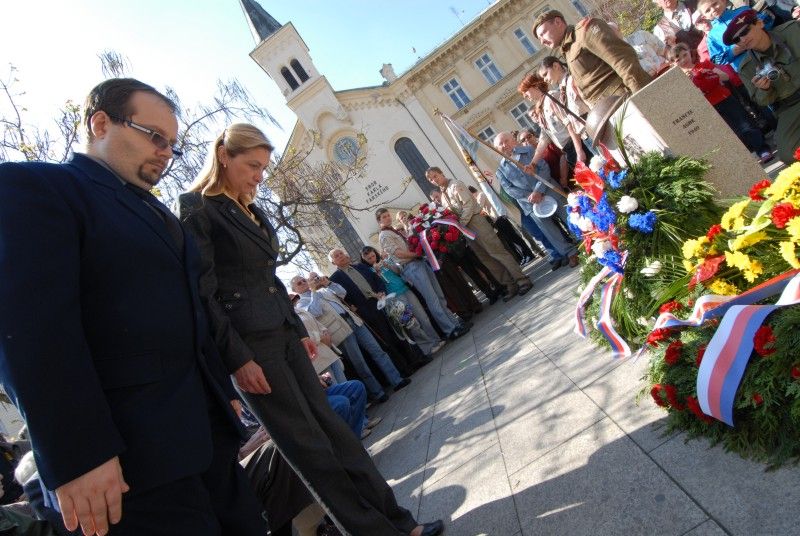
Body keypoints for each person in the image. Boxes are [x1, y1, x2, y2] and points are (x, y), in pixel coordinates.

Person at [0, 78, 266, 536]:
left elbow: (186, 312)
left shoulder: (157, 214)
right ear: (101, 124)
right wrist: (79, 454)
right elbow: (29, 330)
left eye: (173, 144)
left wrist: (219, 390)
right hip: (130, 464)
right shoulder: (35, 187)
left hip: (207, 441)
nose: (166, 152)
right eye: (155, 136)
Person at [178, 123, 443, 536]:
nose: (259, 177)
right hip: (252, 350)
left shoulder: (250, 209)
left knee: (337, 434)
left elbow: (268, 277)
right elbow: (203, 292)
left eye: (263, 168)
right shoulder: (197, 207)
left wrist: (296, 328)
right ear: (224, 157)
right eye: (252, 166)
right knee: (311, 450)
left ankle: (398, 522)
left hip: (284, 336)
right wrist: (237, 358)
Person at [425, 167, 534, 301]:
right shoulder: (443, 195)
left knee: (497, 252)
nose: (434, 180)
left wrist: (460, 224)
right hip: (466, 230)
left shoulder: (456, 185)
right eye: (431, 179)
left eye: (435, 176)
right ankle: (510, 284)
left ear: (442, 173)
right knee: (486, 258)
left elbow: (469, 205)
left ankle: (522, 280)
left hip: (475, 222)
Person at [327, 248, 430, 374]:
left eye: (341, 253)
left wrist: (381, 291)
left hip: (383, 300)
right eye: (336, 256)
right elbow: (341, 298)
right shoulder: (335, 279)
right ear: (333, 262)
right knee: (387, 339)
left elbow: (376, 279)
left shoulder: (360, 266)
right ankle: (405, 368)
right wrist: (354, 307)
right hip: (367, 310)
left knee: (402, 329)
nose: (341, 256)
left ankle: (418, 358)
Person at [668, 42, 773, 161]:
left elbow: (725, 76)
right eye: (678, 59)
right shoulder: (680, 80)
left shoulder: (704, 64)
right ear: (673, 64)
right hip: (706, 107)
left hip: (724, 99)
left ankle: (762, 150)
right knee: (729, 132)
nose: (683, 60)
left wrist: (709, 73)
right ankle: (745, 157)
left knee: (745, 125)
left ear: (689, 52)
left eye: (685, 55)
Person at [376, 208, 470, 340]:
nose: (388, 218)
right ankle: (450, 330)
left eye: (388, 215)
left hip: (418, 262)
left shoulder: (392, 230)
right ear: (379, 221)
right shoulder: (384, 235)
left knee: (439, 295)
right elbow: (398, 253)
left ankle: (455, 324)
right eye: (384, 217)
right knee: (432, 299)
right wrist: (417, 253)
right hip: (410, 266)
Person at [493, 131, 579, 269]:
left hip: (549, 190)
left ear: (513, 141)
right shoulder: (499, 169)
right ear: (497, 148)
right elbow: (509, 189)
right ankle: (570, 253)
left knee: (569, 218)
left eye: (506, 141)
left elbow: (544, 168)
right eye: (500, 144)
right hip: (530, 204)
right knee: (551, 232)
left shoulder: (528, 151)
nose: (504, 145)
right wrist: (531, 197)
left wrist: (538, 190)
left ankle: (586, 239)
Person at [532, 10, 652, 107]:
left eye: (543, 33)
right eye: (539, 38)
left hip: (627, 101)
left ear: (558, 22)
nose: (542, 41)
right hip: (611, 108)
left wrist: (643, 96)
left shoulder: (585, 31)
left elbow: (623, 61)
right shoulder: (568, 50)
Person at [729, 10, 800, 163]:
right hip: (790, 105)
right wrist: (764, 89)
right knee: (788, 154)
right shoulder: (746, 67)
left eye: (745, 31)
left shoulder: (793, 30)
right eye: (737, 39)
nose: (743, 39)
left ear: (760, 23)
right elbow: (762, 101)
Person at [360, 246, 446, 356]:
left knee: (423, 317)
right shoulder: (368, 271)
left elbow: (398, 271)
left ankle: (435, 340)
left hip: (405, 290)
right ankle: (427, 347)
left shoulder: (383, 261)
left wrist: (387, 263)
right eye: (369, 258)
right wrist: (376, 272)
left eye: (373, 256)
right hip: (394, 298)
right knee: (411, 322)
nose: (372, 259)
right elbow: (375, 286)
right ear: (364, 259)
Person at [698, 0, 774, 71]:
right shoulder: (712, 36)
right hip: (748, 67)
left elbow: (765, 24)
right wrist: (734, 51)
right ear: (704, 17)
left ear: (723, 1)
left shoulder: (744, 11)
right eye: (708, 10)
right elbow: (716, 59)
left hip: (769, 51)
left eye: (715, 4)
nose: (713, 10)